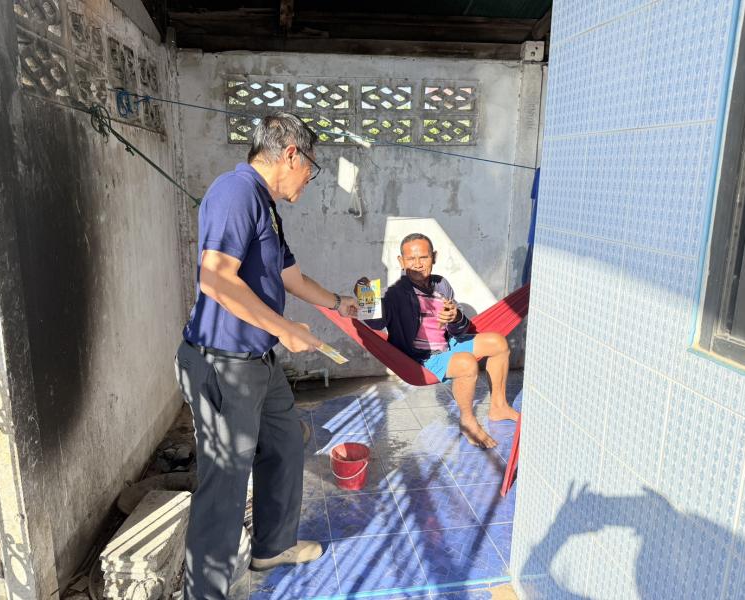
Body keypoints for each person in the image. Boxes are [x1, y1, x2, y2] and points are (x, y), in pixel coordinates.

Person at [175, 112, 357, 600]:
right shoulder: (235, 192)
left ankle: (272, 547)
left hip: (258, 358)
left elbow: (289, 276)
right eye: (311, 167)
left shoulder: (265, 206)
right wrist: (286, 329)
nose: (310, 179)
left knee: (285, 442)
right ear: (291, 154)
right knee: (226, 483)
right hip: (223, 363)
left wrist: (337, 302)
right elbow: (215, 278)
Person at [355, 233, 518, 449]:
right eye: (411, 259)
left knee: (498, 343)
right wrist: (364, 293)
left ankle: (499, 406)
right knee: (466, 363)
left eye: (423, 257)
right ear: (401, 261)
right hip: (421, 360)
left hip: (448, 345)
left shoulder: (441, 285)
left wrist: (456, 317)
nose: (417, 264)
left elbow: (459, 330)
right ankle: (468, 421)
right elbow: (376, 323)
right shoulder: (394, 295)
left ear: (434, 257)